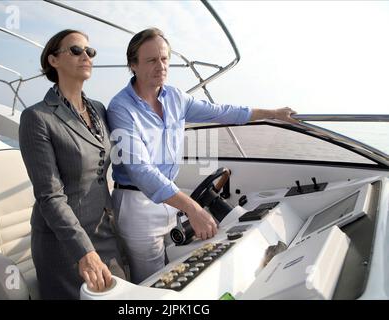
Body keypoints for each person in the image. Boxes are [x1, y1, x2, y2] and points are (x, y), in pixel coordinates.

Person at [107, 27, 298, 284]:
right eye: (152, 60)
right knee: (152, 280)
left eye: (164, 59)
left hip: (169, 197)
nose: (160, 65)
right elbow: (141, 170)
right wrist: (194, 209)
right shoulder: (121, 107)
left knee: (175, 269)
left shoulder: (175, 97)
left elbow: (221, 111)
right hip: (136, 203)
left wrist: (272, 114)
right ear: (133, 65)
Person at [19, 29, 126, 299]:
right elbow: (49, 195)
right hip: (64, 243)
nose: (86, 56)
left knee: (124, 293)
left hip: (104, 229)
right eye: (76, 50)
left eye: (90, 51)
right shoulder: (37, 117)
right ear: (53, 60)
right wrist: (84, 252)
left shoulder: (99, 109)